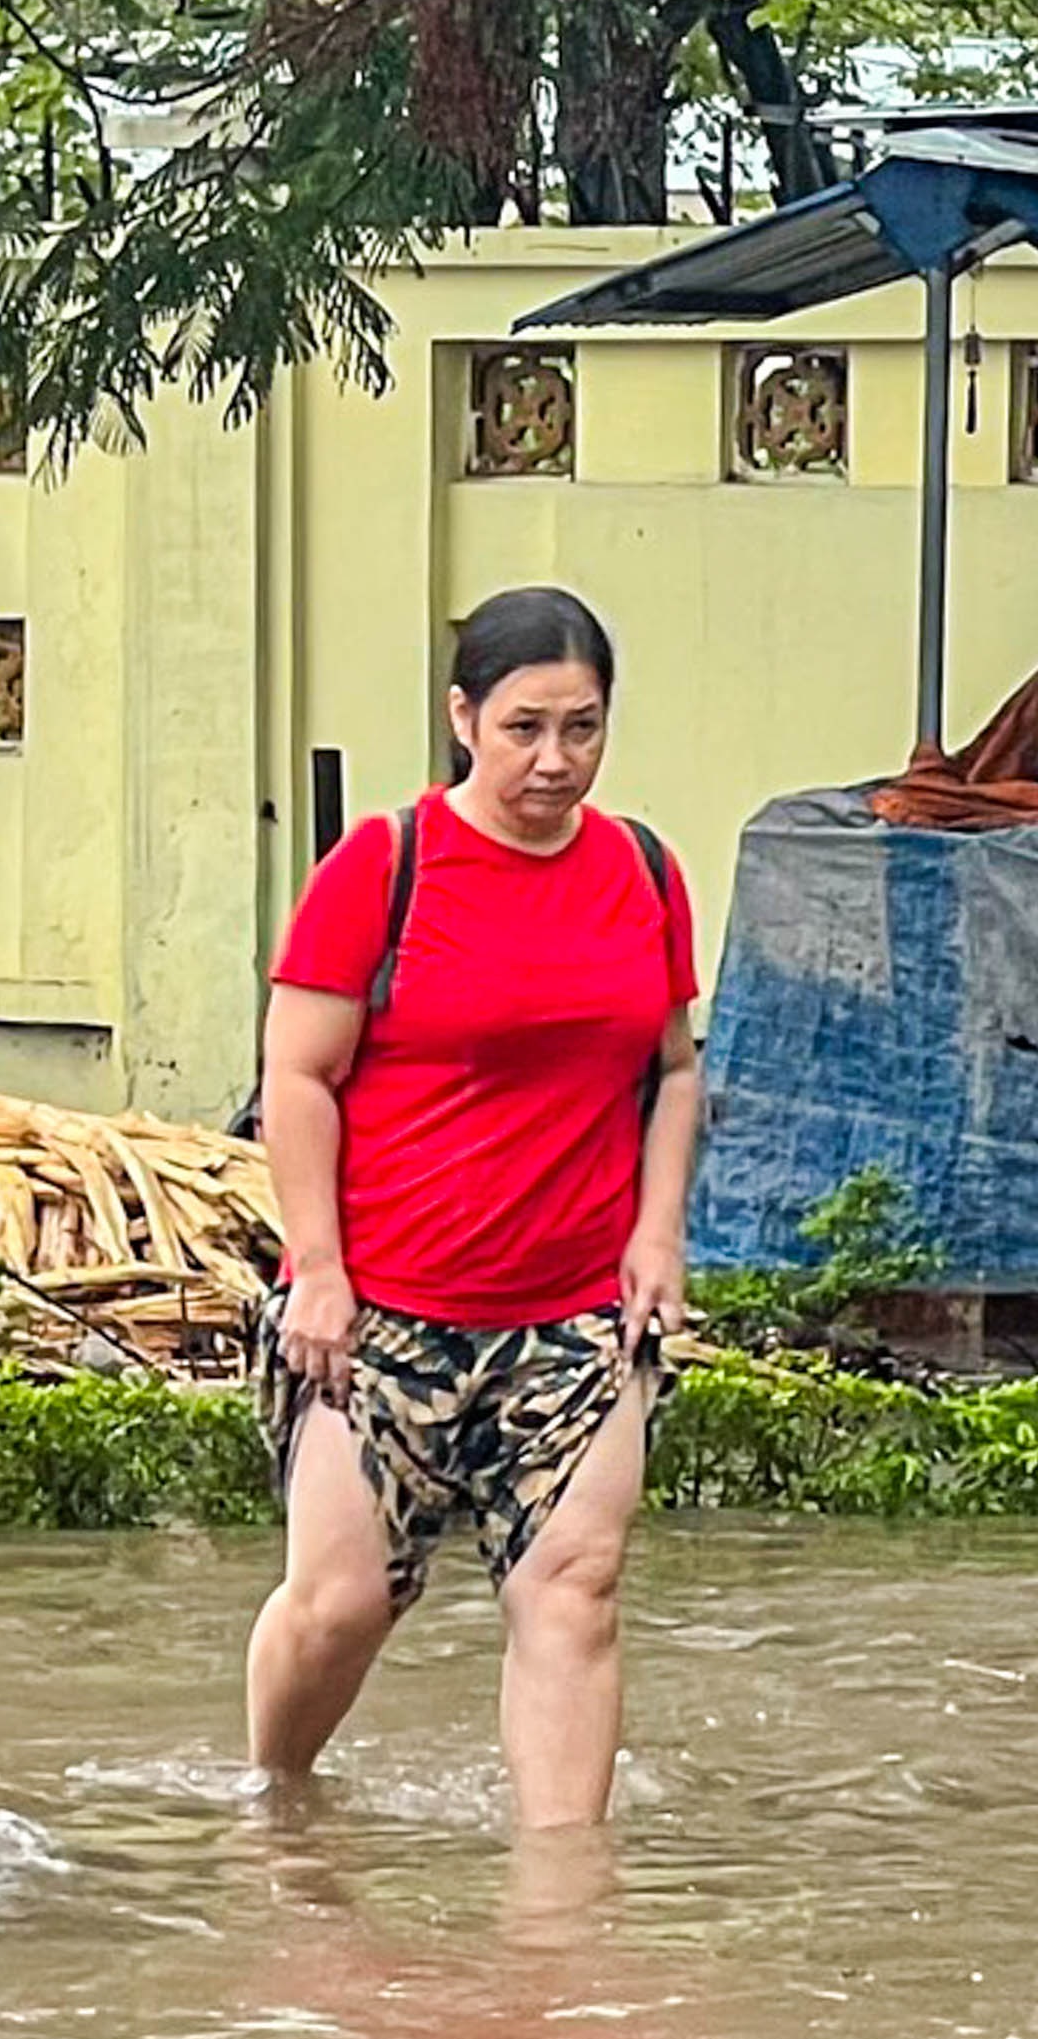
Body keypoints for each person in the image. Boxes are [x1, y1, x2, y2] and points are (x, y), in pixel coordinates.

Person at [243, 584, 707, 1834]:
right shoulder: (382, 867)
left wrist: (656, 1236)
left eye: (582, 727)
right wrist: (319, 1268)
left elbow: (670, 1070)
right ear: (463, 718)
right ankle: (280, 1808)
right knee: (341, 1601)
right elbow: (295, 1076)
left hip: (573, 1317)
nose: (553, 760)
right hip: (378, 1309)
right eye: (522, 728)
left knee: (576, 1587)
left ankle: (559, 1912)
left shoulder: (644, 874)